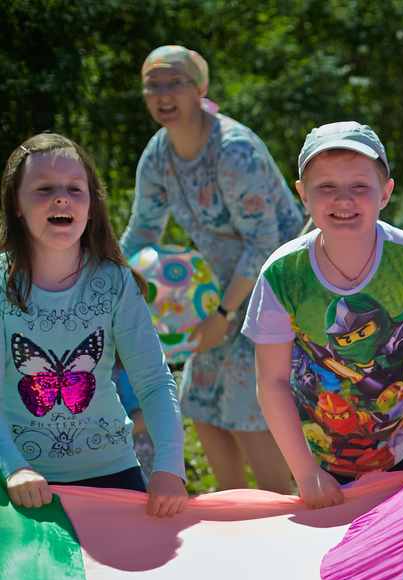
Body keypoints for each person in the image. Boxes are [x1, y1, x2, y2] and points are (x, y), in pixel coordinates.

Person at [243, 122, 403, 509]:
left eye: (359, 186)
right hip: (323, 461)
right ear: (302, 194)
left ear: (386, 192)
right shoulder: (281, 275)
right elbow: (272, 381)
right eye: (326, 187)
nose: (343, 199)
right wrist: (305, 472)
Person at [121, 45, 299, 494]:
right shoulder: (158, 155)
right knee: (197, 402)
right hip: (217, 294)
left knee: (244, 406)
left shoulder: (233, 150)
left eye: (175, 83)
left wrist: (224, 314)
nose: (163, 95)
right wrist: (103, 283)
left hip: (275, 286)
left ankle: (282, 510)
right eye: (153, 86)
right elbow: (141, 234)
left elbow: (265, 242)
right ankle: (232, 514)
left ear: (200, 88)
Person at [0, 134, 187, 517]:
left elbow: (154, 381)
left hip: (113, 474)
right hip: (21, 481)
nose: (61, 198)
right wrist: (14, 467)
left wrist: (170, 467)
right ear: (16, 204)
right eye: (44, 189)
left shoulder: (115, 282)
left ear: (91, 205)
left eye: (74, 189)